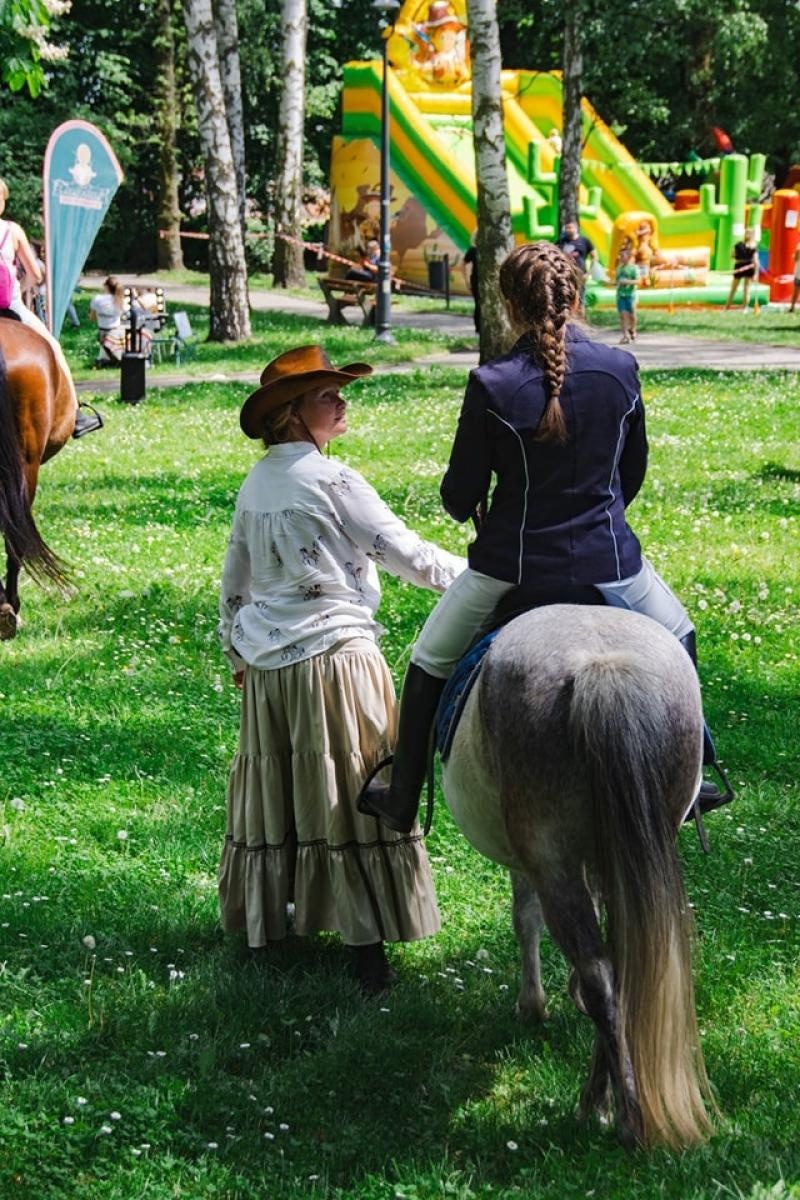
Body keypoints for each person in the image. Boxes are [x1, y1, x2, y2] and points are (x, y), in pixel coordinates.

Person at [359, 240, 731, 834]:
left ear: (509, 302)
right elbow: (629, 472)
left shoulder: (492, 382)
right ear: (576, 295)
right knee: (681, 635)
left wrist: (468, 502)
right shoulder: (620, 370)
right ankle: (694, 777)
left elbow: (460, 494)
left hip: (512, 565)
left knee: (428, 659)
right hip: (610, 561)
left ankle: (402, 795)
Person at [217, 345, 466, 994]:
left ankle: (271, 924)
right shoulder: (334, 481)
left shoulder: (257, 483)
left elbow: (235, 583)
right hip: (334, 660)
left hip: (272, 667)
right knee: (353, 793)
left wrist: (239, 650)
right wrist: (488, 580)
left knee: (291, 797)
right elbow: (405, 554)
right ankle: (366, 948)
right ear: (293, 414)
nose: (342, 401)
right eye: (328, 395)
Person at [0, 177, 101, 438]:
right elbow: (35, 274)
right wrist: (20, 290)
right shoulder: (13, 231)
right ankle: (77, 414)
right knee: (52, 347)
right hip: (11, 305)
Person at [556, 220, 596, 309]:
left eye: (571, 227)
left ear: (576, 228)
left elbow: (595, 257)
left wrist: (588, 273)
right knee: (566, 300)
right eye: (567, 228)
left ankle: (581, 320)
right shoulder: (561, 242)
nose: (568, 230)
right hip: (565, 275)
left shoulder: (584, 241)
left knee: (580, 301)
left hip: (580, 275)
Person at [89, 276, 127, 362]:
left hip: (102, 331)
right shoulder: (120, 301)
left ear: (106, 287)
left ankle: (107, 358)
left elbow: (92, 317)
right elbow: (124, 315)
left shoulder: (97, 299)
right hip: (116, 332)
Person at [725, 228, 759, 310]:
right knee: (746, 289)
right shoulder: (753, 246)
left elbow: (732, 255)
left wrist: (756, 273)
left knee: (734, 288)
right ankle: (744, 308)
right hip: (748, 266)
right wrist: (756, 274)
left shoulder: (738, 245)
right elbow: (756, 261)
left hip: (740, 265)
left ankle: (727, 307)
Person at [614, 239, 639, 344]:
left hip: (631, 295)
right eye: (620, 256)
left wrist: (627, 281)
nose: (621, 258)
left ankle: (632, 329)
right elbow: (617, 281)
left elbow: (638, 281)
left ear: (628, 257)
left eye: (623, 256)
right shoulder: (619, 268)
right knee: (623, 315)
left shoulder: (633, 268)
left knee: (632, 315)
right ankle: (625, 336)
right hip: (621, 295)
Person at [463, 232, 480, 333]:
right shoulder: (473, 250)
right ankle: (478, 329)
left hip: (487, 282)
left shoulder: (490, 251)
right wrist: (466, 280)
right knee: (478, 305)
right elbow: (463, 263)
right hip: (476, 281)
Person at [789, 243, 800, 314]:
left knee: (796, 291)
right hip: (798, 273)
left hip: (798, 273)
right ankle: (792, 307)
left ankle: (792, 308)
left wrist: (794, 256)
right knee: (796, 291)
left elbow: (796, 258)